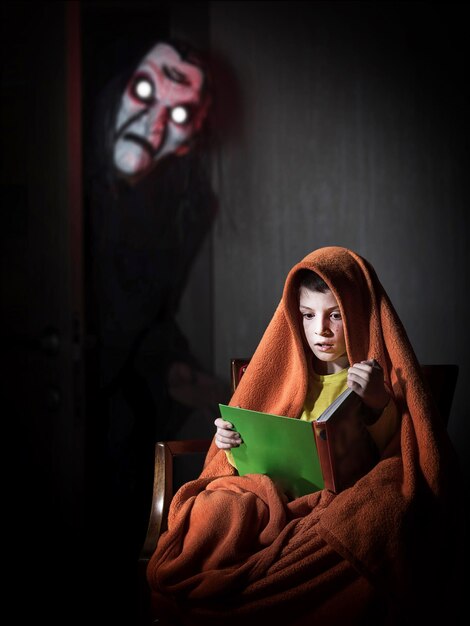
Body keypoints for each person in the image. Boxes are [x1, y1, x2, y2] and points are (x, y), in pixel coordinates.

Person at [146, 246, 465, 626]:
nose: (321, 331)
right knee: (215, 510)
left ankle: (273, 604)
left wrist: (379, 404)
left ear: (357, 313)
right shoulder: (286, 373)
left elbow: (401, 458)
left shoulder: (376, 380)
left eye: (335, 316)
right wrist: (231, 445)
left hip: (336, 504)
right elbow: (254, 453)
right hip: (275, 497)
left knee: (375, 517)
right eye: (308, 316)